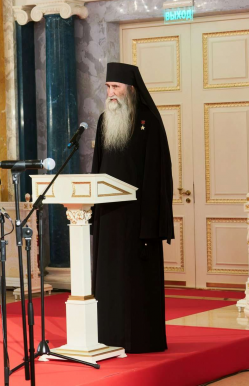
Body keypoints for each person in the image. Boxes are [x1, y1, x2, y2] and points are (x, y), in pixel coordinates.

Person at [91, 62, 174, 353]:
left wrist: (150, 223)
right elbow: (97, 167)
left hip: (138, 219)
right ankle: (108, 336)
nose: (110, 93)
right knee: (109, 282)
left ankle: (139, 340)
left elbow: (156, 174)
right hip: (108, 218)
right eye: (108, 87)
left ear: (131, 89)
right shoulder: (104, 120)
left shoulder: (149, 121)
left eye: (116, 87)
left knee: (135, 282)